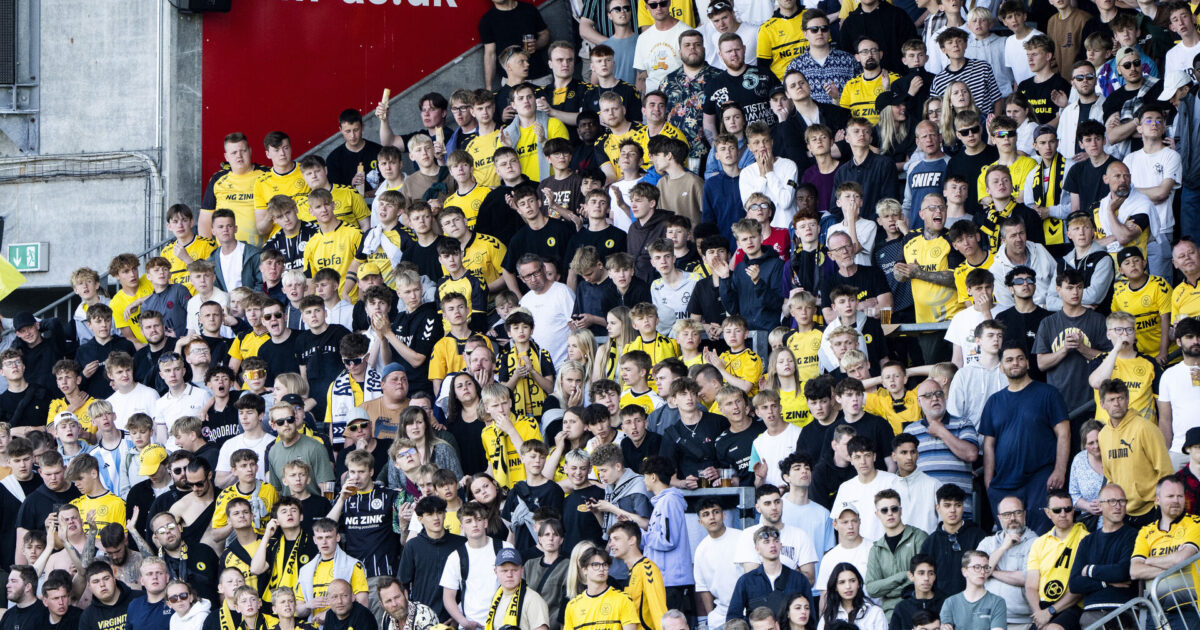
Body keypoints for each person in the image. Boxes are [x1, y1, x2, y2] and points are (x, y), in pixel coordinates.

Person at [980, 344, 1068, 534]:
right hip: (1004, 481)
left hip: (1040, 478)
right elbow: (989, 444)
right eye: (1009, 360)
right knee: (1011, 536)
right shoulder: (994, 401)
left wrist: (1060, 469)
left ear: (1028, 363)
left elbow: (1064, 433)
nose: (1015, 363)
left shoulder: (1048, 393)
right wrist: (988, 481)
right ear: (1001, 368)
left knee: (1041, 536)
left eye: (1020, 358)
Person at [1068, 483, 1139, 627]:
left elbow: (1122, 572)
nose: (1118, 506)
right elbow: (1074, 584)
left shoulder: (1134, 535)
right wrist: (1106, 582)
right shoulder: (1087, 541)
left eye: (1122, 501)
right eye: (1112, 501)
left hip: (1122, 611)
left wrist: (1089, 570)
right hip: (1091, 613)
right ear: (1099, 506)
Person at [1025, 490, 1088, 629]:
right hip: (1043, 607)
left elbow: (1080, 587)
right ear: (1048, 513)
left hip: (1073, 606)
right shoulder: (1039, 542)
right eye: (1057, 510)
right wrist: (1039, 613)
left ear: (1073, 510)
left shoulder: (1086, 539)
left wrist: (1050, 612)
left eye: (1068, 509)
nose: (1063, 514)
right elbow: (1030, 586)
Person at [727, 525, 812, 621]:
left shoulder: (799, 579)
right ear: (757, 549)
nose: (772, 545)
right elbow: (733, 619)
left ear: (781, 545)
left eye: (776, 541)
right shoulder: (746, 581)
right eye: (766, 542)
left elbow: (811, 617)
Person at [975, 495, 1037, 628]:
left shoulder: (1036, 543)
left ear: (1024, 514)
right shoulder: (987, 543)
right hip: (986, 618)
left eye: (1017, 513)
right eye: (1007, 514)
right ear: (999, 518)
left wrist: (993, 572)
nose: (1013, 518)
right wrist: (1003, 547)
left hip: (1021, 621)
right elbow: (976, 575)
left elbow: (1026, 578)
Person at [865, 489, 928, 616]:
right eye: (884, 510)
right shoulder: (876, 549)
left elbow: (925, 578)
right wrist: (903, 575)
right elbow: (871, 589)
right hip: (890, 614)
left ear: (901, 511)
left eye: (894, 509)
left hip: (919, 609)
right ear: (877, 514)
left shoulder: (918, 537)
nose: (890, 513)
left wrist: (888, 589)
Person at [562, 548, 638, 630]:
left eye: (605, 565)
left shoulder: (623, 599)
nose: (601, 569)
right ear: (584, 570)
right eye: (595, 565)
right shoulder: (572, 606)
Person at [939, 551, 1007, 630]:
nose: (982, 571)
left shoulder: (997, 602)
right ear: (964, 571)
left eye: (986, 567)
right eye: (977, 567)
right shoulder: (950, 602)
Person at [818, 562, 887, 629]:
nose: (848, 586)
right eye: (842, 582)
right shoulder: (828, 617)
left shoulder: (875, 613)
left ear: (859, 584)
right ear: (835, 587)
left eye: (852, 581)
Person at [80, 561, 136, 630]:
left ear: (114, 579)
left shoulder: (139, 599)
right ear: (89, 587)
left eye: (106, 579)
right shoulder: (88, 616)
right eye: (96, 581)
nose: (102, 584)